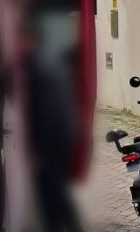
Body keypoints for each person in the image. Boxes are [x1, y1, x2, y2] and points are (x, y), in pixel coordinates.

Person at [22, 15, 84, 232]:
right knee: (57, 190)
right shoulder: (48, 61)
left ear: (29, 39)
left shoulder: (40, 68)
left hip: (53, 141)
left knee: (50, 191)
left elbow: (48, 113)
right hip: (62, 136)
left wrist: (39, 151)